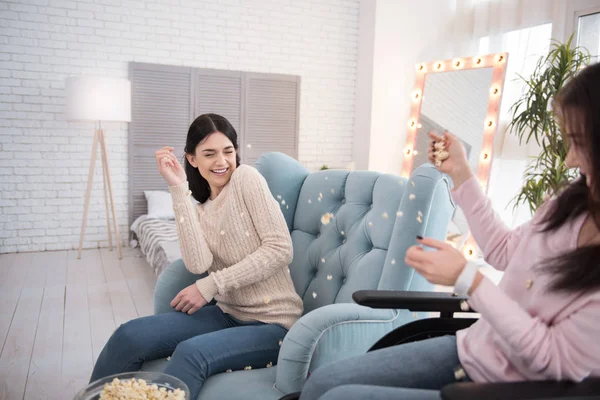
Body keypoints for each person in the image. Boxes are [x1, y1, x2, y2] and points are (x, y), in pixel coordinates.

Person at [297, 63, 600, 400]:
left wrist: (469, 279)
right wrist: (461, 173)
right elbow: (502, 250)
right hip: (472, 350)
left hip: (508, 390)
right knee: (320, 385)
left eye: (579, 143)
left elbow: (551, 359)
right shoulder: (569, 207)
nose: (570, 159)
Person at [90, 113, 303, 398]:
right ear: (192, 159)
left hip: (274, 324)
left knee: (191, 352)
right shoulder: (200, 208)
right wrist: (178, 189)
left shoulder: (246, 178)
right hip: (228, 313)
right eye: (209, 153)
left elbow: (280, 249)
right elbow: (197, 263)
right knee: (127, 335)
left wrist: (210, 286)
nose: (222, 161)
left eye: (228, 151)